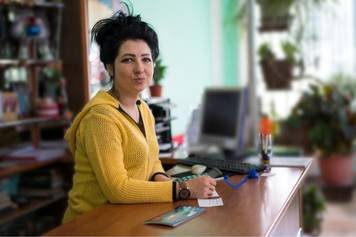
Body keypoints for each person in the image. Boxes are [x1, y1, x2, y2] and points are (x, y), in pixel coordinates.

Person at [62, 4, 216, 223]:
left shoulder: (143, 108)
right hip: (92, 223)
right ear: (110, 68)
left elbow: (152, 161)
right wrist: (183, 189)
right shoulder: (101, 118)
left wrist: (162, 178)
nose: (140, 68)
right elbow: (118, 189)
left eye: (146, 59)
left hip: (128, 215)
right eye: (128, 59)